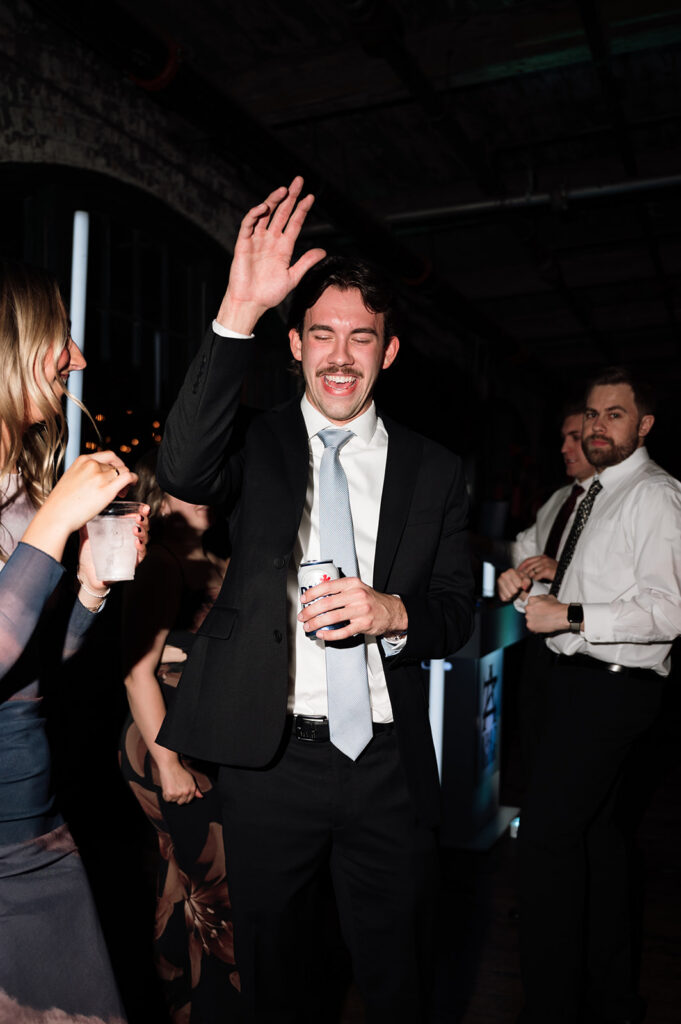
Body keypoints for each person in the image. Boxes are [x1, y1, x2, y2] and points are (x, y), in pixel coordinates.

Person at [153, 176, 475, 1022]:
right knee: (274, 977)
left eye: (361, 339)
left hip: (387, 767)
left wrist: (394, 613)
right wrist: (235, 312)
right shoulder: (253, 442)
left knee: (397, 972)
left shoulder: (435, 470)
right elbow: (182, 470)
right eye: (322, 335)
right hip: (271, 758)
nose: (340, 356)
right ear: (292, 344)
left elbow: (454, 612)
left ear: (388, 352)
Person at [501, 367, 681, 1024]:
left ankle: (550, 1006)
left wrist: (572, 614)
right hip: (564, 682)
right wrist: (537, 572)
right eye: (593, 414)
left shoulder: (656, 496)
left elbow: (669, 611)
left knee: (546, 842)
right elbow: (557, 557)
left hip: (610, 689)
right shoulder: (588, 495)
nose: (599, 426)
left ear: (643, 425)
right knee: (596, 846)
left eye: (614, 414)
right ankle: (609, 999)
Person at [0, 259, 148, 1021]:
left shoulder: (21, 496)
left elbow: (31, 664)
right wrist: (58, 521)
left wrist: (88, 583)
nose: (79, 361)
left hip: (33, 824)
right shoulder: (39, 508)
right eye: (62, 338)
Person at [119, 448, 239, 1022]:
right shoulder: (162, 562)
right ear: (164, 495)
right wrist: (168, 764)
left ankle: (171, 1001)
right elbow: (136, 669)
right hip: (161, 738)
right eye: (193, 484)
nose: (207, 490)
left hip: (190, 735)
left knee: (185, 882)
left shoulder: (204, 555)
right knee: (218, 893)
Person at [497, 406, 594, 776]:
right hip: (541, 648)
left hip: (586, 649)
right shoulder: (558, 500)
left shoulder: (617, 501)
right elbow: (521, 552)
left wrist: (562, 570)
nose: (565, 448)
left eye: (575, 438)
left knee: (575, 768)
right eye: (564, 438)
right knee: (537, 753)